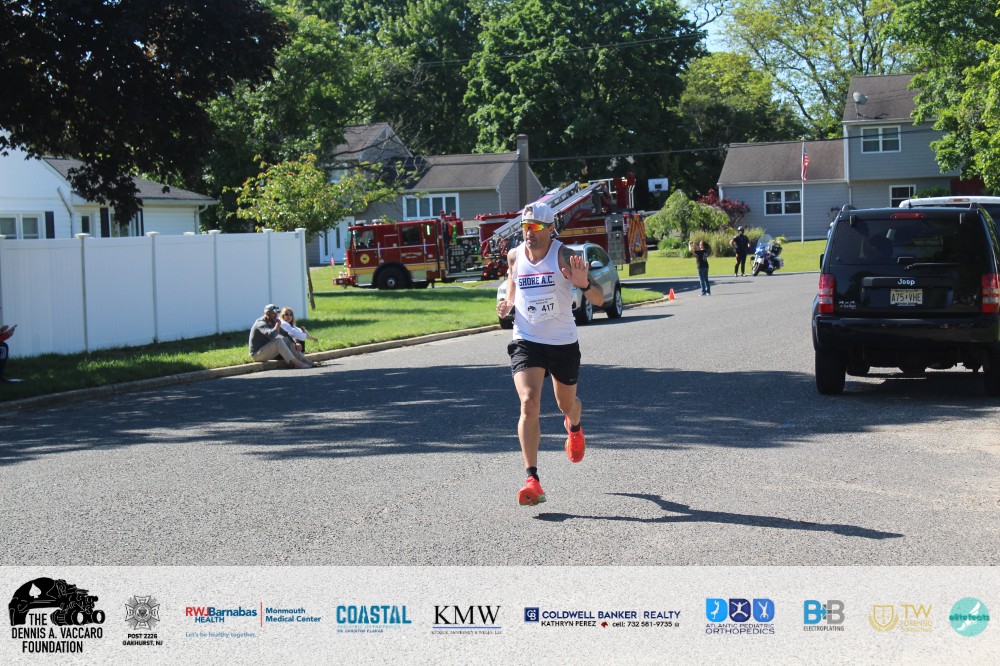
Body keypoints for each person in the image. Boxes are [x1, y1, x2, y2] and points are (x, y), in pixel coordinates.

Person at [495, 201, 605, 506]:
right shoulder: (515, 255)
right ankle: (532, 479)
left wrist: (583, 284)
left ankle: (575, 426)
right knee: (528, 402)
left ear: (550, 229)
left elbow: (599, 298)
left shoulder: (564, 256)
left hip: (561, 342)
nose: (528, 232)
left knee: (566, 404)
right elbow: (513, 284)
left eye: (535, 227)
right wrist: (507, 303)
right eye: (525, 227)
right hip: (526, 339)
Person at [248, 304, 317, 369]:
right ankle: (296, 363)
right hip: (257, 354)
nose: (276, 316)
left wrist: (295, 343)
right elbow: (271, 335)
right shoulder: (260, 323)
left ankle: (305, 360)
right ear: (267, 313)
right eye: (274, 314)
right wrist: (277, 325)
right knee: (278, 341)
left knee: (286, 339)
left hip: (266, 351)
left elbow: (285, 334)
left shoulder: (272, 321)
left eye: (277, 314)